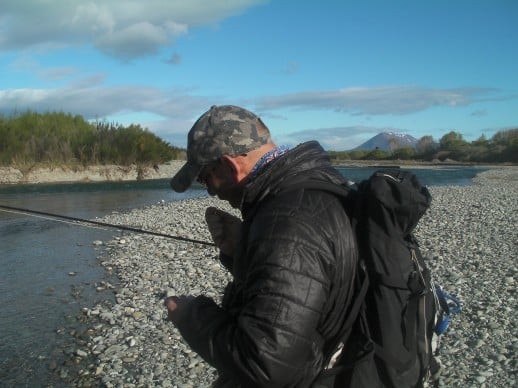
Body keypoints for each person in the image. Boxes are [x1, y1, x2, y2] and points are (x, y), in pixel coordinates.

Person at [165, 105, 358, 387]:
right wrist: (244, 250)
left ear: (230, 166)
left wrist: (190, 315)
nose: (210, 191)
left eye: (206, 178)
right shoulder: (317, 184)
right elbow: (314, 284)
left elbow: (265, 364)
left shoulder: (288, 224)